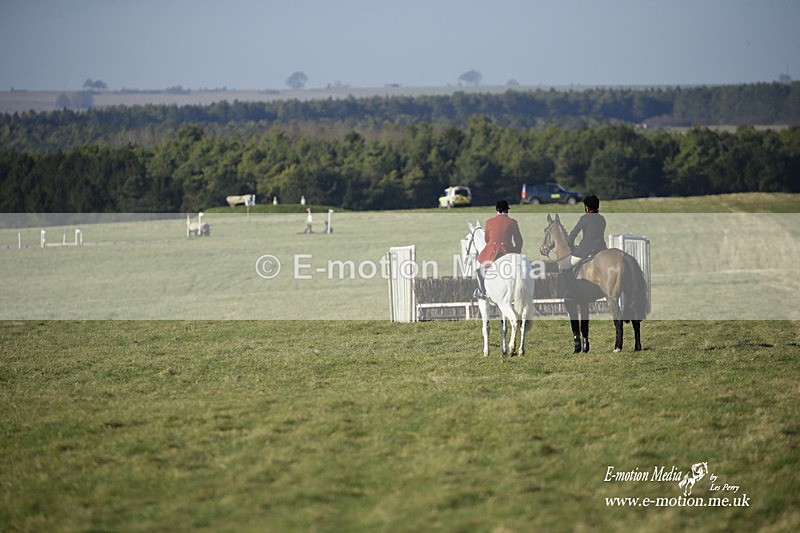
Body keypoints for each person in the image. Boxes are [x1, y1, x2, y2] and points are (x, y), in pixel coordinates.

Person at [474, 200, 524, 299]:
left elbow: (487, 239)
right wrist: (516, 253)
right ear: (507, 210)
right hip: (508, 252)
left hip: (493, 253)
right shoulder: (512, 222)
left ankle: (483, 292)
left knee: (480, 270)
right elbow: (519, 240)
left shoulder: (489, 222)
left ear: (497, 210)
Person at [560, 195, 606, 299]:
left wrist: (571, 246)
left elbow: (573, 234)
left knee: (564, 268)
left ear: (587, 207)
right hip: (601, 249)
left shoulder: (585, 218)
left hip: (585, 250)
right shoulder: (602, 218)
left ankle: (575, 292)